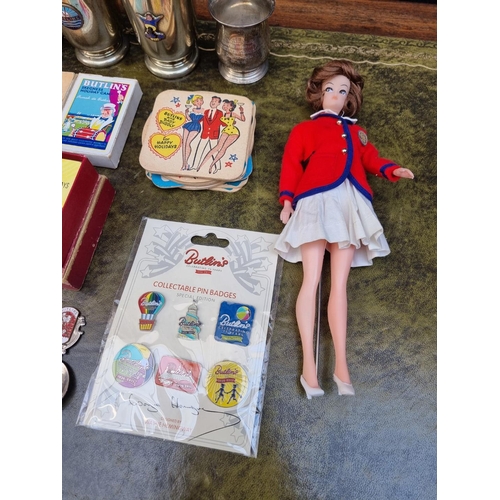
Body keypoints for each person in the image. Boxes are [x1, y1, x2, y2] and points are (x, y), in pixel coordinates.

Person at [274, 60, 414, 399]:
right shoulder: (304, 130)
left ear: (349, 97)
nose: (336, 96)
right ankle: (309, 369)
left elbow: (370, 159)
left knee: (339, 284)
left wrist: (391, 169)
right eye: (330, 90)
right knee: (311, 280)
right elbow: (291, 163)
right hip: (315, 200)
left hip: (350, 204)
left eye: (342, 91)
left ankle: (341, 366)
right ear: (319, 94)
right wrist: (287, 199)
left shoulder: (356, 132)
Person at [196, 99, 245, 174]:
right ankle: (201, 165)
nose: (225, 106)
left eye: (227, 105)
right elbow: (220, 122)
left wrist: (241, 112)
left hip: (234, 132)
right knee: (217, 147)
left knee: (223, 148)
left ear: (231, 107)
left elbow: (242, 119)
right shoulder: (222, 114)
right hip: (226, 130)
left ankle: (211, 165)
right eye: (224, 105)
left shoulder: (233, 114)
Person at [181, 94, 204, 170]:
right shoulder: (193, 109)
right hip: (188, 125)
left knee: (187, 143)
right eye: (197, 101)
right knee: (184, 143)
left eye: (200, 100)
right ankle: (184, 164)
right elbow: (189, 119)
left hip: (196, 126)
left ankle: (186, 163)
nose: (199, 102)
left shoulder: (204, 110)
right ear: (194, 103)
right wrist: (186, 113)